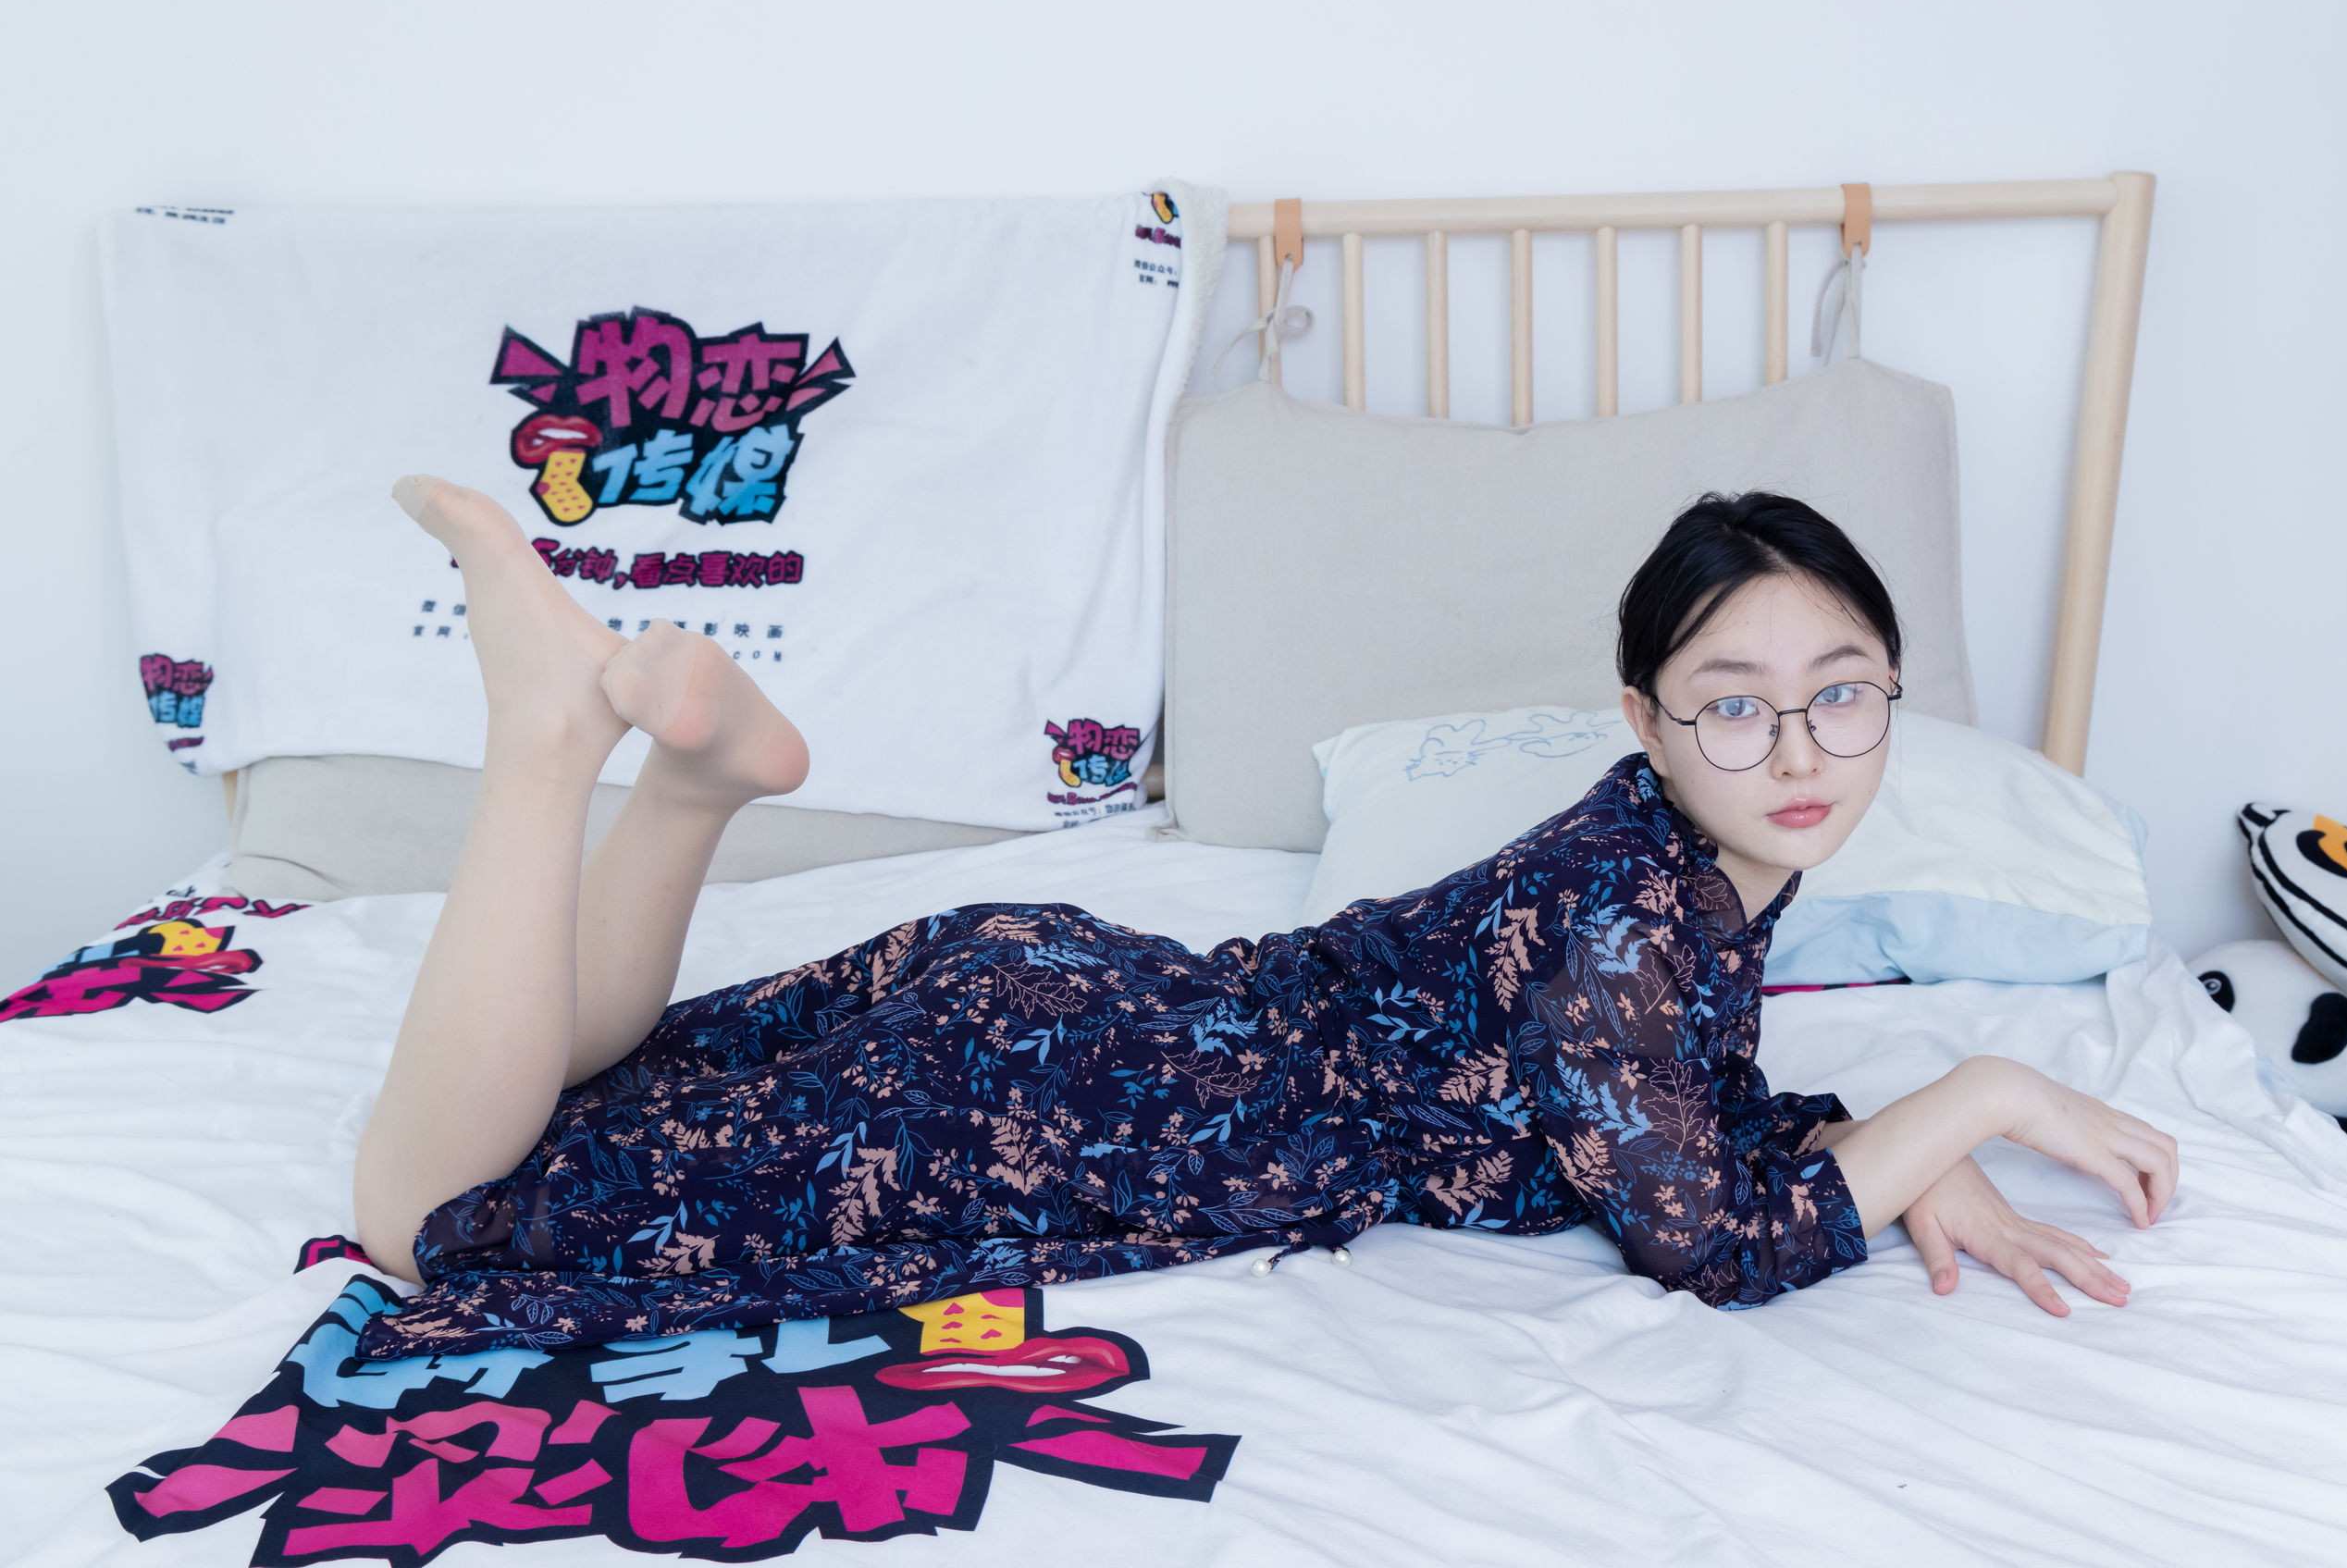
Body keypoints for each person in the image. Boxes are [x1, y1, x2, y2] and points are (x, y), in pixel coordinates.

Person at [352, 479, 2178, 1359]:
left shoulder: (1660, 861)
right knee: (436, 1215)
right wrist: (1986, 1094)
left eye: (1840, 695)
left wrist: (1882, 1145)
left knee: (590, 1088)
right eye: (1733, 704)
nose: (1792, 749)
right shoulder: (1626, 918)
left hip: (1065, 1005)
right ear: (1642, 719)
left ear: (1890, 698)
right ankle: (544, 732)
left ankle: (691, 789)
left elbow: (1659, 1104)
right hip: (1056, 1093)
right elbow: (1709, 1239)